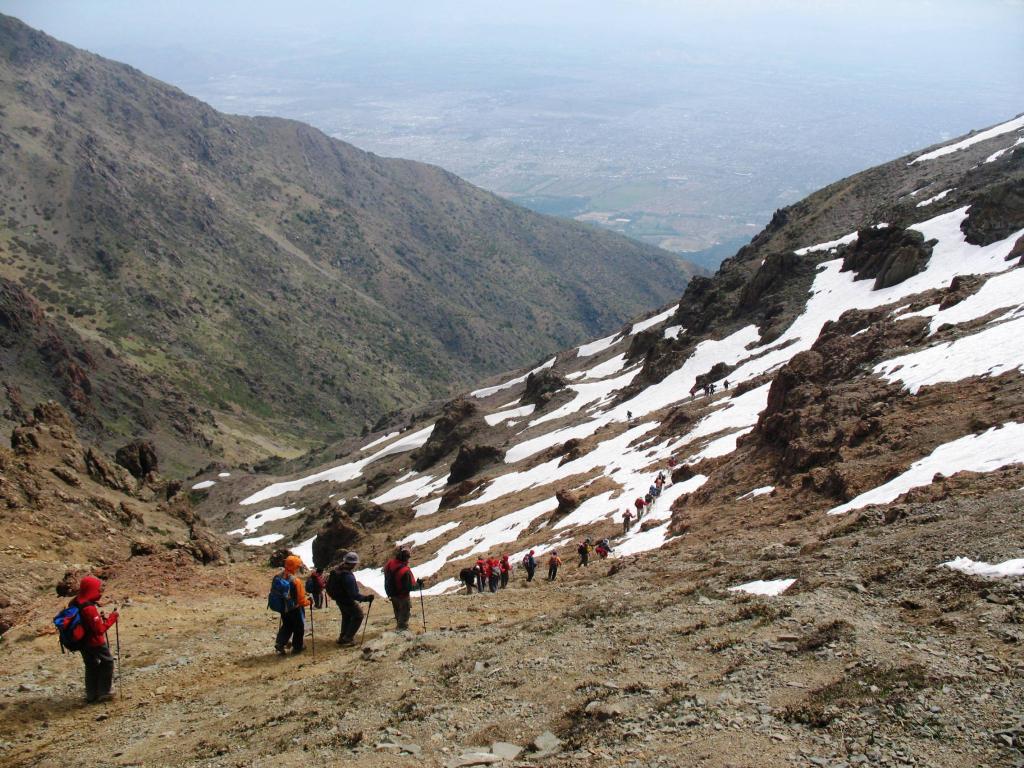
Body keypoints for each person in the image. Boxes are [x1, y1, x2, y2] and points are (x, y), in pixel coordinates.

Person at [64, 575, 119, 703]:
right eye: (98, 589)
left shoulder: (75, 601)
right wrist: (113, 617)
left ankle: (91, 694)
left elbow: (85, 622)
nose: (99, 591)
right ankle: (104, 692)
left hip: (81, 641)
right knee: (108, 661)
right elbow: (99, 630)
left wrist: (98, 619)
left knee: (91, 665)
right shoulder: (89, 608)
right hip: (94, 642)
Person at [329, 552, 373, 646]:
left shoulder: (337, 570)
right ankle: (348, 638)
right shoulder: (347, 576)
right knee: (358, 615)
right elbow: (354, 595)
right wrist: (366, 598)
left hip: (339, 599)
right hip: (347, 601)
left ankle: (343, 637)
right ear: (352, 564)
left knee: (347, 616)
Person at [273, 555, 310, 655]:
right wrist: (309, 602)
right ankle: (297, 647)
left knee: (287, 625)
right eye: (298, 566)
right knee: (299, 627)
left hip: (283, 607)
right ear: (295, 567)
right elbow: (301, 600)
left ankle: (280, 643)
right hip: (295, 608)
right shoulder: (295, 581)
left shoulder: (278, 576)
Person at [383, 548, 419, 631]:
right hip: (402, 596)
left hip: (392, 593)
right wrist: (419, 585)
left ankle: (399, 625)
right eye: (408, 557)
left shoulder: (390, 563)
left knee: (397, 611)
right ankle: (401, 629)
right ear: (406, 558)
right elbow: (409, 587)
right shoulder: (405, 571)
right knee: (404, 613)